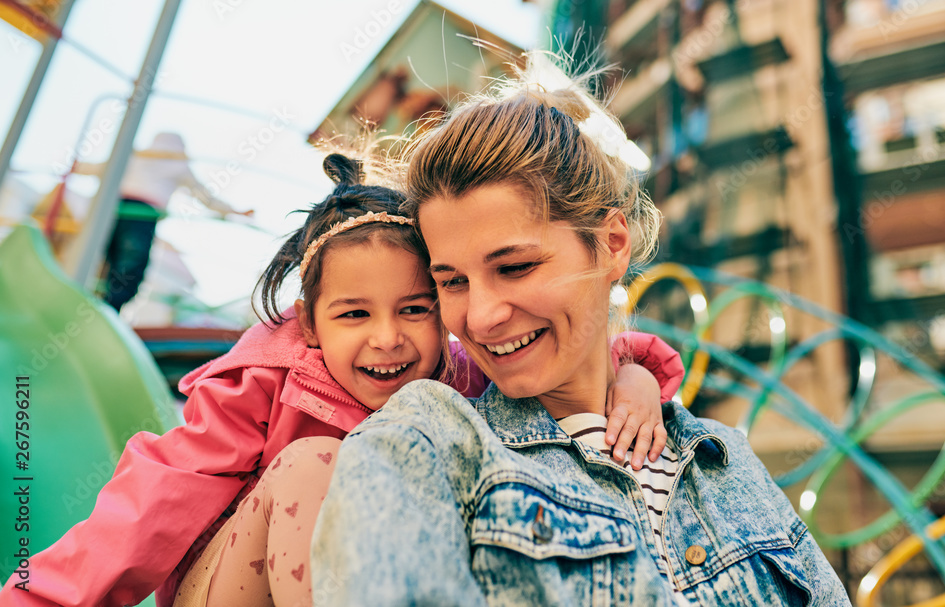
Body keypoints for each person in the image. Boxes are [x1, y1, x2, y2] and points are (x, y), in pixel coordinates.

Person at [0, 152, 683, 607]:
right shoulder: (266, 382)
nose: (387, 337)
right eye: (355, 313)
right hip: (238, 587)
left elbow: (582, 353)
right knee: (319, 464)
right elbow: (153, 500)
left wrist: (636, 378)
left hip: (367, 582)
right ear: (313, 322)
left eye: (414, 309)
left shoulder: (462, 376)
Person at [310, 55, 852, 606]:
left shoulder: (725, 458)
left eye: (515, 267)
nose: (481, 316)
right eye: (451, 283)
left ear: (612, 244)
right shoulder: (431, 440)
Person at [73, 132, 254, 311]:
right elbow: (204, 196)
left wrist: (76, 167)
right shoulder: (177, 163)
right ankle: (110, 307)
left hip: (114, 210)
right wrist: (233, 210)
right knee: (130, 265)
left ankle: (88, 299)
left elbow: (101, 168)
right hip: (142, 216)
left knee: (104, 258)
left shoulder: (136, 155)